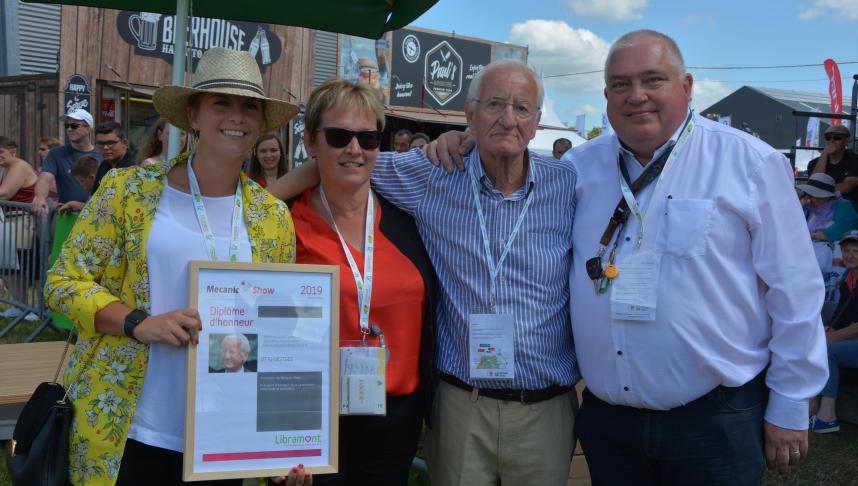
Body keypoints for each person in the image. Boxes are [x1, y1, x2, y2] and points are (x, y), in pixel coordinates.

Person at [272, 59, 580, 485]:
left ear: (538, 122)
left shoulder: (570, 184)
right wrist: (264, 204)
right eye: (494, 104)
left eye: (522, 108)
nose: (508, 119)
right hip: (460, 406)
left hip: (544, 408)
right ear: (469, 116)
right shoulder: (432, 174)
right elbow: (343, 163)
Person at [562, 30, 827, 483]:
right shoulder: (576, 170)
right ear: (606, 95)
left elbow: (795, 290)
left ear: (685, 88)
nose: (636, 96)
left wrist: (790, 401)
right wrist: (458, 147)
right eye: (621, 85)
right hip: (610, 423)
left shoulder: (750, 163)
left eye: (652, 80)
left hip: (715, 420)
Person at [44, 48, 306, 486]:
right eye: (221, 102)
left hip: (222, 435)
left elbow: (279, 331)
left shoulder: (272, 216)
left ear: (262, 122)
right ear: (193, 116)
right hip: (130, 424)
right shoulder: (129, 190)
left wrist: (281, 442)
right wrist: (137, 323)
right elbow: (62, 282)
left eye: (249, 106)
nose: (236, 116)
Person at [275, 79, 436, 486]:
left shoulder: (409, 219)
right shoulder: (283, 223)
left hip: (396, 413)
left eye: (367, 138)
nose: (354, 149)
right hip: (310, 409)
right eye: (338, 136)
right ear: (311, 142)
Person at [810, 229, 858, 434]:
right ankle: (810, 407)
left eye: (856, 251)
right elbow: (838, 319)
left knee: (827, 350)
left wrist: (828, 339)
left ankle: (827, 417)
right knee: (813, 344)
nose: (849, 255)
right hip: (855, 340)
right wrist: (824, 331)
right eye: (846, 250)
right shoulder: (848, 281)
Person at [798, 173, 858, 304]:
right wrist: (799, 204)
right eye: (808, 194)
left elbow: (835, 231)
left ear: (827, 196)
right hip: (810, 258)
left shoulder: (843, 206)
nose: (810, 198)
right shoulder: (808, 208)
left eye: (814, 195)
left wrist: (808, 234)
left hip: (843, 255)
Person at [31, 108, 101, 215]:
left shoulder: (102, 155)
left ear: (88, 129)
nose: (69, 129)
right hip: (67, 215)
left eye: (74, 126)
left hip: (95, 215)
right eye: (66, 126)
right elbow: (44, 179)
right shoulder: (56, 153)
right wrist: (40, 198)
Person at [808, 124, 858, 210]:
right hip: (820, 205)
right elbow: (815, 182)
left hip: (848, 206)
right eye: (828, 137)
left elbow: (846, 187)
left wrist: (820, 192)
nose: (832, 140)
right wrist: (824, 154)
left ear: (847, 141)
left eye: (837, 138)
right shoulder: (814, 163)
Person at [93, 122, 137, 193]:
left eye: (110, 143)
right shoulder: (104, 165)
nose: (105, 147)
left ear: (125, 143)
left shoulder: (135, 167)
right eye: (100, 143)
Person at [0, 136, 38, 204]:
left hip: (23, 213)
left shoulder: (20, 166)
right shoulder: (4, 167)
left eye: (1, 152)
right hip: (9, 213)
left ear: (13, 152)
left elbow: (4, 194)